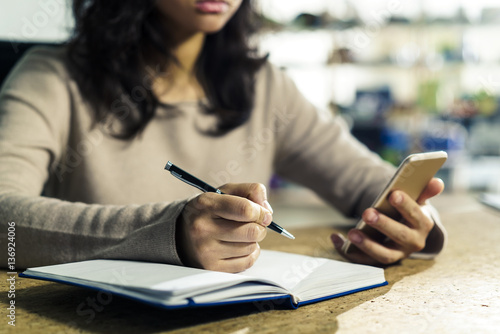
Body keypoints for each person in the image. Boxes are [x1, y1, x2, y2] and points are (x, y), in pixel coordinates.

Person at [0, 0, 445, 273]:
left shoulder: (265, 85)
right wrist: (169, 233)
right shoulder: (53, 76)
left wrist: (411, 221)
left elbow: (372, 182)